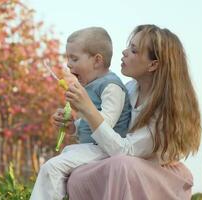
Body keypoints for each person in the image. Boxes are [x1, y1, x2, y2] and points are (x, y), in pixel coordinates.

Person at [64, 24, 201, 200]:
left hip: (155, 176)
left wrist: (89, 111)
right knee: (79, 175)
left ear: (153, 64)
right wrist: (74, 127)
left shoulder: (165, 110)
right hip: (122, 163)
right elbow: (110, 131)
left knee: (121, 164)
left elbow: (124, 150)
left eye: (134, 50)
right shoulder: (128, 90)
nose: (124, 52)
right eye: (129, 46)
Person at [30, 27, 131, 200]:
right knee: (59, 163)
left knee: (52, 168)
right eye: (68, 58)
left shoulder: (111, 86)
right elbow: (89, 122)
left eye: (74, 58)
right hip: (92, 148)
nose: (68, 64)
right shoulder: (91, 85)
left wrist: (83, 106)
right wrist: (72, 127)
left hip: (105, 150)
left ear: (97, 60)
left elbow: (105, 124)